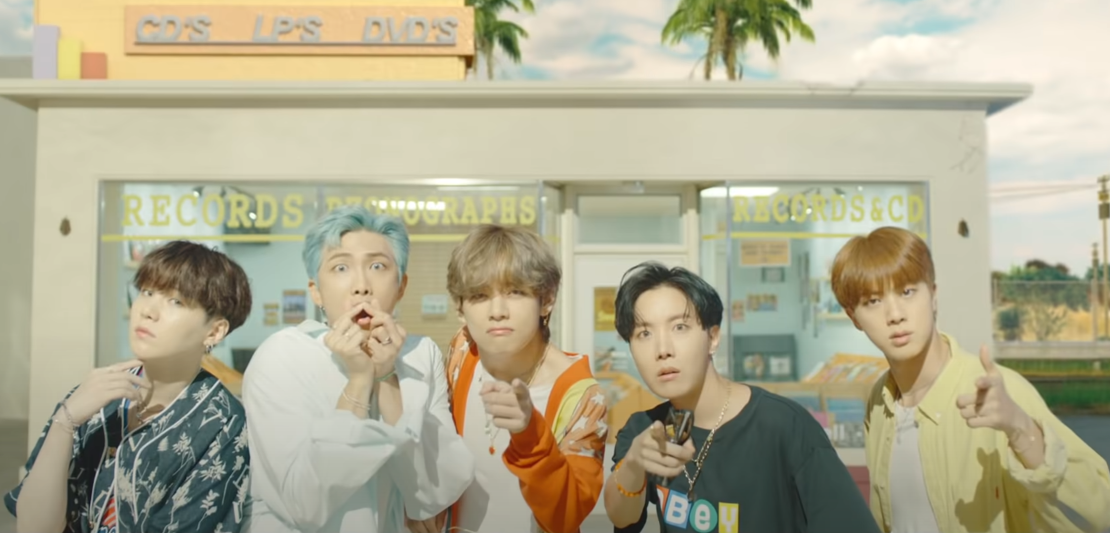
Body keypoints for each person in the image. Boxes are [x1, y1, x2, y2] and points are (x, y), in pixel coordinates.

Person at [831, 226, 1110, 533]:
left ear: (933, 295)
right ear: (854, 317)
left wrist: (1021, 428)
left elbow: (1100, 510)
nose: (895, 314)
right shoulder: (879, 401)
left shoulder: (996, 391)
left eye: (907, 292)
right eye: (873, 301)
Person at [241, 205, 474, 533]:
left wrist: (386, 376)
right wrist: (360, 380)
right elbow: (304, 503)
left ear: (401, 286)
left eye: (378, 266)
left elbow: (433, 494)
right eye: (341, 267)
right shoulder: (282, 356)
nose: (361, 286)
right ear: (316, 291)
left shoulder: (420, 353)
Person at [605, 262, 880, 533]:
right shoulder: (645, 430)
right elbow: (622, 517)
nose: (662, 349)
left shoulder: (784, 426)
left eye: (679, 327)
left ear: (713, 337)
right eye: (644, 333)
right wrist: (634, 464)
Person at [4, 240, 253, 533]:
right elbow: (34, 527)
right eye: (147, 291)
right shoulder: (95, 394)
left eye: (176, 301)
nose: (148, 310)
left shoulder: (222, 425)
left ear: (214, 331)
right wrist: (65, 421)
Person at [442, 224, 609, 533]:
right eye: (479, 295)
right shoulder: (462, 352)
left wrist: (529, 433)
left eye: (515, 292)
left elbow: (567, 515)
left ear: (547, 300)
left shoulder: (583, 397)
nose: (497, 311)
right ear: (460, 309)